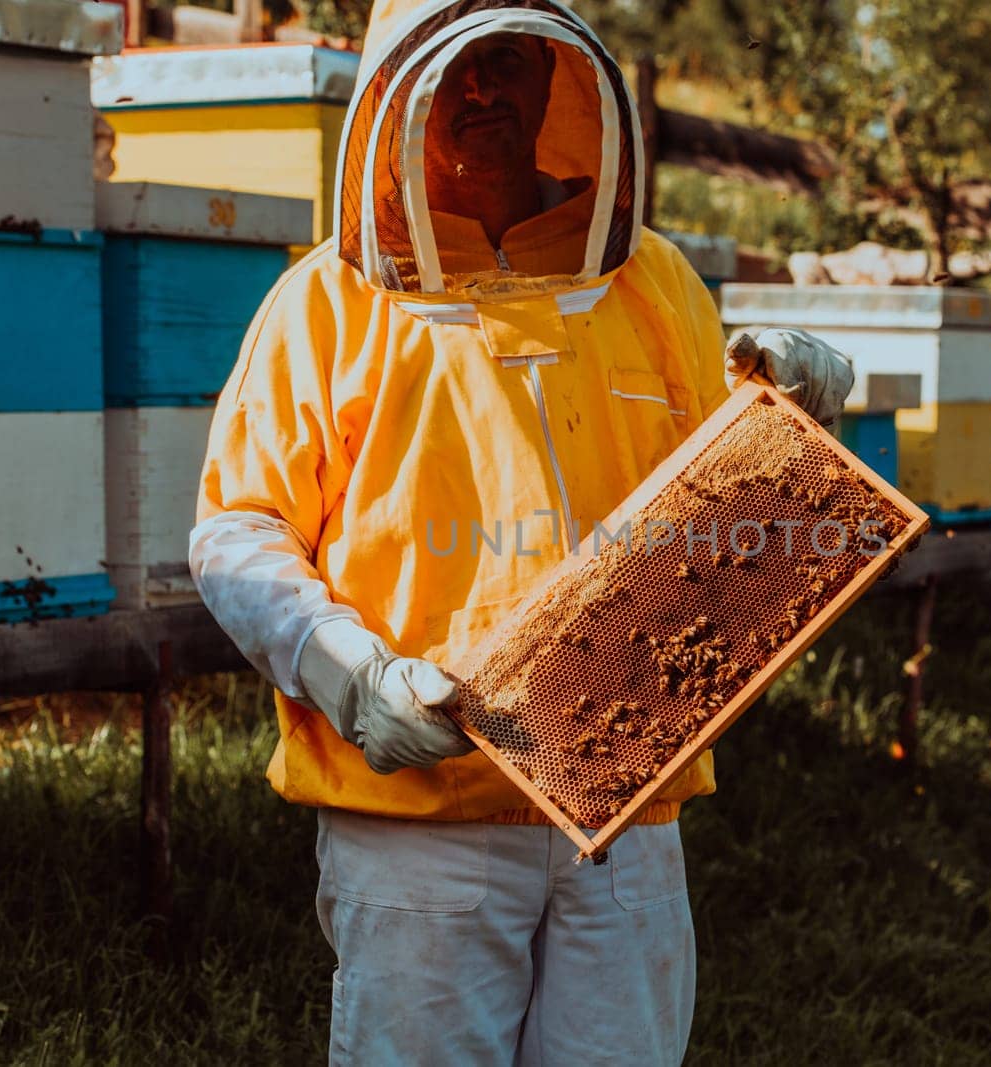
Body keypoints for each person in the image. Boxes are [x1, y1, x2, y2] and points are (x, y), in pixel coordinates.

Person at [189, 1, 853, 1062]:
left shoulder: (651, 285)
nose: (485, 90)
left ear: (564, 83)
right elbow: (238, 527)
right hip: (418, 816)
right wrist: (347, 670)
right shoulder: (328, 303)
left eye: (511, 62)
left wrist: (786, 418)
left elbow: (723, 510)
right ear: (394, 94)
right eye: (455, 69)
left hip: (626, 812)